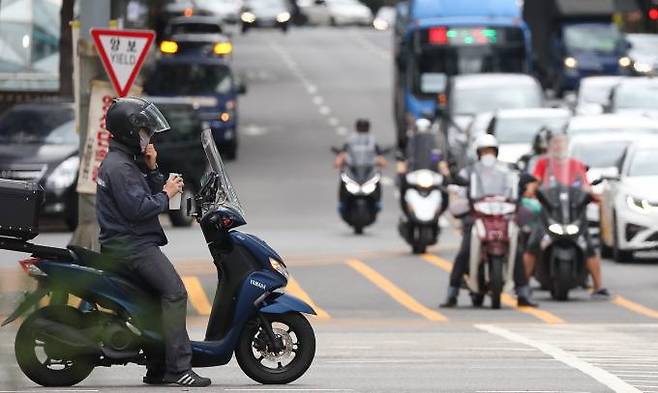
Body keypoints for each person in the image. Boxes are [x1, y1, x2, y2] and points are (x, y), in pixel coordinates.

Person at [96, 97, 211, 387]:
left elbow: (143, 193)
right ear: (129, 132)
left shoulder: (125, 162)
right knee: (174, 293)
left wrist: (152, 168)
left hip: (130, 243)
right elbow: (139, 209)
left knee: (152, 303)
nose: (148, 136)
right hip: (132, 246)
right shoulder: (119, 167)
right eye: (145, 130)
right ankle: (179, 369)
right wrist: (167, 192)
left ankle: (157, 367)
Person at [441, 134, 537, 308]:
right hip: (477, 216)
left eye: (491, 150)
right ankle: (452, 293)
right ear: (478, 153)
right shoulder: (469, 172)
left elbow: (515, 188)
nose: (488, 154)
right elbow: (460, 191)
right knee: (465, 250)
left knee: (516, 249)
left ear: (496, 152)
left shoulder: (506, 171)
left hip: (502, 216)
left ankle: (523, 293)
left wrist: (519, 190)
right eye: (484, 150)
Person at [523, 133, 610, 298]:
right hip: (550, 211)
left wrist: (593, 194)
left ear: (567, 146)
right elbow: (535, 181)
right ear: (550, 146)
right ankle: (522, 285)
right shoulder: (543, 164)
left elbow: (585, 185)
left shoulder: (576, 164)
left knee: (589, 246)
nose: (558, 146)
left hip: (573, 212)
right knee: (533, 244)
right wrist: (530, 190)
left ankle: (598, 286)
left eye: (561, 143)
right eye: (555, 143)